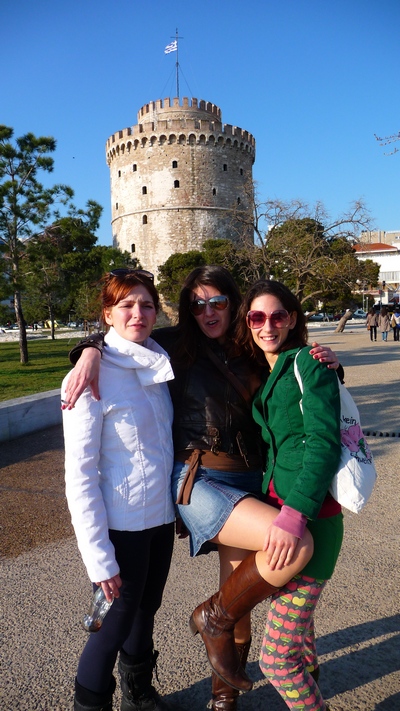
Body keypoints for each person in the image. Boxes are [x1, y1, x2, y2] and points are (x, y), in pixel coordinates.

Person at [64, 266, 341, 711]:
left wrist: (325, 359)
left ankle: (223, 696)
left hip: (250, 477)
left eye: (217, 303)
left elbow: (288, 360)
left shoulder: (252, 346)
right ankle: (211, 621)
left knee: (239, 592)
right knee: (289, 547)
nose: (206, 312)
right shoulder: (176, 345)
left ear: (235, 306)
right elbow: (126, 336)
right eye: (196, 304)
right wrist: (89, 351)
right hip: (201, 477)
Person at [221, 278, 341, 711]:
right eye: (257, 316)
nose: (267, 324)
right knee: (299, 633)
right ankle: (314, 678)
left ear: (292, 319)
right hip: (277, 511)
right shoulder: (267, 366)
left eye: (278, 315)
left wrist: (295, 514)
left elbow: (324, 442)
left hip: (310, 519)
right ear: (247, 322)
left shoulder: (307, 362)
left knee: (275, 660)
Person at [62, 269, 176, 711]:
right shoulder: (89, 377)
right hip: (120, 527)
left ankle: (139, 693)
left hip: (159, 520)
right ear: (108, 313)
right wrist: (98, 556)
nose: (138, 313)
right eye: (126, 305)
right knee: (110, 627)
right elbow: (80, 475)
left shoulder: (158, 362)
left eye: (146, 304)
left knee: (145, 611)